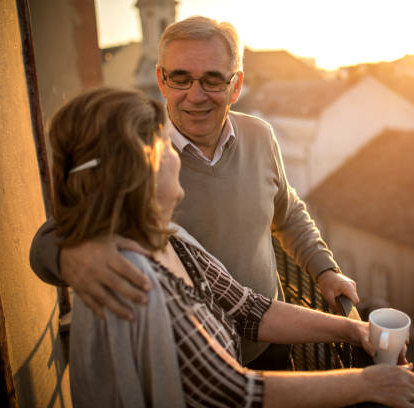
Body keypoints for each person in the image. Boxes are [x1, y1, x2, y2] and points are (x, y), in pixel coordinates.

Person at [48, 87, 414, 407]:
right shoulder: (133, 281)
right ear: (139, 172)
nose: (177, 154)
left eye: (212, 79)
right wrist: (367, 384)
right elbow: (234, 394)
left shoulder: (171, 239)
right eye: (165, 147)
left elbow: (249, 308)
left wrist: (352, 330)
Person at [29, 15, 358, 368]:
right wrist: (74, 257)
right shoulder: (138, 153)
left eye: (213, 80)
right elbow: (45, 245)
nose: (195, 95)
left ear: (236, 85)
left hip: (271, 344)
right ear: (162, 80)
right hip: (189, 366)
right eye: (181, 78)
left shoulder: (260, 136)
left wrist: (325, 271)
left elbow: (288, 212)